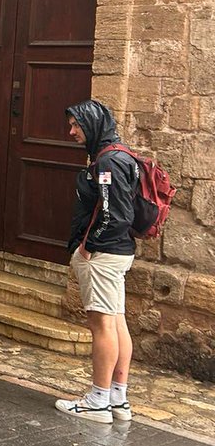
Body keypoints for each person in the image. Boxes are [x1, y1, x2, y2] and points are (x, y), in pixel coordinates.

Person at [54, 99, 138, 424]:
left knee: (102, 326)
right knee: (116, 322)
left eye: (76, 125)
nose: (71, 132)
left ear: (92, 124)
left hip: (103, 254)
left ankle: (98, 400)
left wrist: (87, 247)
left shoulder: (107, 163)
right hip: (118, 251)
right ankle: (118, 397)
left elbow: (114, 215)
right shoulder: (120, 155)